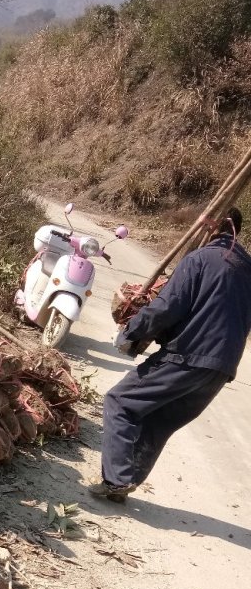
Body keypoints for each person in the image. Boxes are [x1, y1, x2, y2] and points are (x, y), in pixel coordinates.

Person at [90, 207, 251, 503]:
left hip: (188, 356)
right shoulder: (247, 267)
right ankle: (125, 481)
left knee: (120, 401)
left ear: (210, 227)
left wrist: (131, 332)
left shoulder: (199, 259)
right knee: (160, 420)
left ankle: (115, 481)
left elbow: (167, 307)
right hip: (221, 368)